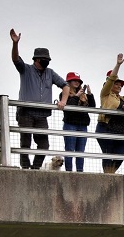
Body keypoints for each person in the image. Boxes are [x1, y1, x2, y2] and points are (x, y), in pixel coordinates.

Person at [10, 28, 66, 169]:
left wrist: (63, 101)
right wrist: (15, 44)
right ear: (36, 59)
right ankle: (25, 168)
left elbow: (65, 86)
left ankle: (35, 168)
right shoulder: (26, 69)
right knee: (25, 142)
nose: (46, 61)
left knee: (43, 144)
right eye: (44, 59)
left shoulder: (50, 73)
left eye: (48, 59)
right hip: (26, 112)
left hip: (42, 114)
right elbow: (16, 59)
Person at [95, 54, 124, 174]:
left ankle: (109, 174)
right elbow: (111, 78)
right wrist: (118, 65)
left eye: (120, 85)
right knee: (107, 154)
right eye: (116, 84)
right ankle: (108, 176)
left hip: (121, 130)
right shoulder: (105, 94)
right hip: (105, 128)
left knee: (120, 155)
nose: (118, 86)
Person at [57, 72, 94, 172]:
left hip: (83, 125)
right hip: (70, 124)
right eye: (74, 80)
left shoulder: (84, 95)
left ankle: (80, 172)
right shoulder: (64, 94)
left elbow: (92, 107)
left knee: (80, 151)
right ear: (68, 82)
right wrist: (77, 96)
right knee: (69, 150)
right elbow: (69, 107)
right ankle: (69, 172)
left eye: (78, 80)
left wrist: (89, 95)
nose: (77, 82)